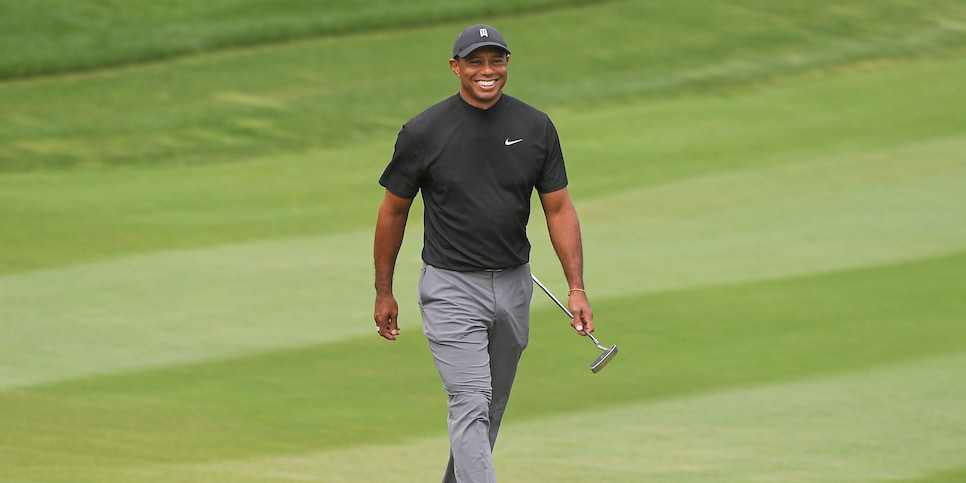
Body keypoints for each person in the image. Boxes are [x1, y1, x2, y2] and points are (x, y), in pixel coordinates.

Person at [372, 23, 594, 483]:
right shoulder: (423, 131)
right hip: (451, 287)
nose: (487, 71)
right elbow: (393, 213)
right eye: (475, 61)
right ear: (456, 68)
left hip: (514, 285)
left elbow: (559, 208)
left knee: (489, 409)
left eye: (496, 60)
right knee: (470, 401)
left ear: (507, 64)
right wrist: (384, 291)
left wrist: (576, 287)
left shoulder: (535, 127)